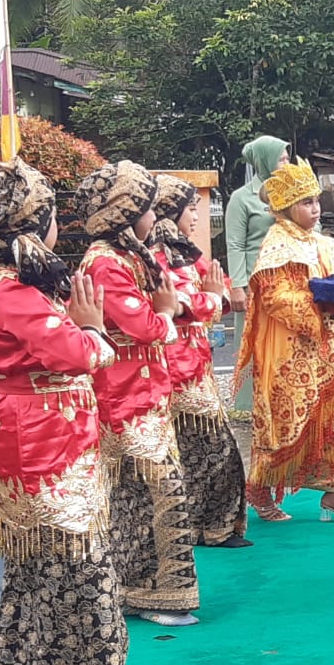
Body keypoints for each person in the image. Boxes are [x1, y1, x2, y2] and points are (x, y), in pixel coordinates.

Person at [0, 159, 135, 665]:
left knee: (44, 571)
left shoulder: (9, 284)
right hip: (40, 438)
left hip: (41, 432)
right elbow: (78, 354)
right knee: (79, 570)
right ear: (33, 225)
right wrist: (91, 329)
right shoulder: (7, 291)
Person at [78, 161, 200, 627]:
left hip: (146, 396)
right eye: (147, 208)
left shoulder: (129, 257)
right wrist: (168, 310)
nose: (156, 217)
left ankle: (154, 592)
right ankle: (148, 595)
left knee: (154, 493)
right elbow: (145, 326)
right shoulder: (105, 264)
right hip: (123, 399)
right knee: (148, 493)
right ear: (124, 214)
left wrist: (168, 311)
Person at [236, 160, 334, 524]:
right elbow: (275, 298)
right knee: (283, 422)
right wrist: (319, 304)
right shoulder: (277, 245)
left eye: (316, 201)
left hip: (326, 346)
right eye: (306, 202)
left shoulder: (325, 244)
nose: (315, 209)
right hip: (289, 351)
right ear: (285, 208)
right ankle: (260, 490)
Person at [147, 175, 249, 548]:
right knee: (212, 451)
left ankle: (209, 528)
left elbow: (207, 295)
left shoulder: (183, 252)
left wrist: (210, 298)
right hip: (176, 370)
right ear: (169, 212)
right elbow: (183, 305)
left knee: (205, 451)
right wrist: (212, 299)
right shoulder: (158, 257)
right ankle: (208, 528)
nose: (196, 216)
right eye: (191, 208)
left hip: (195, 365)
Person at [226, 136, 290, 412]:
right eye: (281, 158)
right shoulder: (242, 199)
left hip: (290, 280)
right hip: (257, 282)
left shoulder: (293, 191)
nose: (286, 162)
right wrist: (238, 285)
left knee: (286, 341)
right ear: (264, 161)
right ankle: (249, 404)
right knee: (254, 342)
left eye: (288, 157)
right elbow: (236, 244)